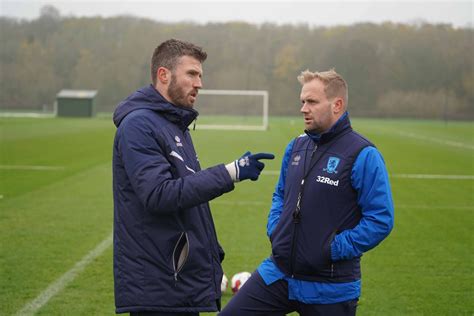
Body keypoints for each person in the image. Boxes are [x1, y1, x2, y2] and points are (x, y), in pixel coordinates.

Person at [112, 38, 274, 315]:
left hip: (178, 277)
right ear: (164, 75)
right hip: (159, 281)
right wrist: (229, 172)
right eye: (192, 74)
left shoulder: (175, 125)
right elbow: (159, 194)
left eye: (200, 75)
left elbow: (188, 195)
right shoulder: (138, 125)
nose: (199, 83)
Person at [220, 69, 394, 316]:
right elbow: (280, 195)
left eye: (311, 102)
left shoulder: (363, 154)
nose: (303, 108)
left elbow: (380, 220)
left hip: (330, 286)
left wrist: (331, 249)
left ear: (337, 105)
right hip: (278, 273)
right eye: (302, 101)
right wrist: (276, 228)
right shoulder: (296, 147)